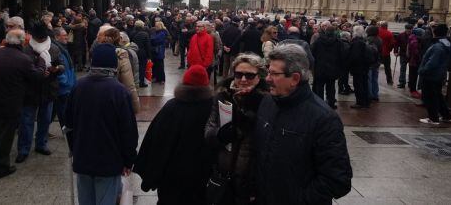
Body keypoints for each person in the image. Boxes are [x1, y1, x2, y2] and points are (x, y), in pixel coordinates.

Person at [255, 44, 352, 204]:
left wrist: (299, 200)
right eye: (268, 72)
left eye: (274, 73)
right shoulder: (267, 102)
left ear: (295, 79)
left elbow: (337, 179)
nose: (267, 78)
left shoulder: (324, 119)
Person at [65, 43, 139, 205]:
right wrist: (128, 160)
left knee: (85, 199)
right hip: (109, 160)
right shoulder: (119, 91)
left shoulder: (78, 87)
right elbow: (128, 131)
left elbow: (68, 124)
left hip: (83, 157)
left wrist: (74, 149)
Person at [0, 29, 46, 178]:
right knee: (5, 136)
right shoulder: (23, 59)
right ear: (23, 41)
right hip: (11, 103)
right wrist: (42, 64)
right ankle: (1, 167)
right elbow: (36, 77)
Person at [135, 65, 214, 205]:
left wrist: (151, 177)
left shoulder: (172, 107)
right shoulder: (213, 107)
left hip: (172, 179)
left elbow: (156, 142)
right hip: (202, 177)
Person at [205, 53, 269, 205]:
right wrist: (220, 135)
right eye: (239, 75)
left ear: (259, 76)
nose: (244, 80)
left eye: (249, 75)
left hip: (253, 177)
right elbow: (208, 131)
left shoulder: (268, 100)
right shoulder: (223, 95)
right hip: (225, 172)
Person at [16, 24, 64, 163]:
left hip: (49, 89)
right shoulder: (26, 49)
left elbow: (62, 65)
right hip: (30, 90)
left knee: (45, 120)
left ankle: (41, 144)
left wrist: (57, 69)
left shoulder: (54, 48)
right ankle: (23, 149)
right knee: (26, 121)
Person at [418, 24, 451, 125]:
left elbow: (432, 63)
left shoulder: (438, 46)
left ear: (435, 32)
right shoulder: (447, 44)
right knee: (438, 95)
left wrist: (422, 70)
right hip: (439, 74)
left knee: (429, 96)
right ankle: (446, 115)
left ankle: (433, 118)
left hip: (431, 75)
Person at [311, 25, 345, 109]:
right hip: (333, 68)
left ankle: (320, 104)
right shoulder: (338, 42)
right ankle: (331, 103)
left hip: (320, 68)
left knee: (320, 87)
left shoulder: (319, 41)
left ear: (326, 31)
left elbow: (312, 52)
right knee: (331, 87)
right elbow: (342, 56)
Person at [52, 27, 76, 128]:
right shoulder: (57, 50)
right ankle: (67, 133)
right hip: (63, 88)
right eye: (64, 35)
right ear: (57, 37)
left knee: (56, 111)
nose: (67, 37)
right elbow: (57, 67)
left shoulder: (62, 48)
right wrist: (65, 82)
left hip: (66, 86)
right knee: (63, 112)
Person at [348, 26, 371, 108]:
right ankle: (366, 101)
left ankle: (360, 102)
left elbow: (355, 57)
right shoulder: (364, 41)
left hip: (358, 68)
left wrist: (350, 64)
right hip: (364, 67)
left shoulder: (356, 42)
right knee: (364, 84)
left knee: (358, 85)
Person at [132, 20, 151, 87]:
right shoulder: (145, 34)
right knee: (142, 68)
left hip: (133, 52)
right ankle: (141, 82)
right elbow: (147, 46)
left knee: (134, 67)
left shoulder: (132, 33)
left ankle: (134, 81)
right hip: (142, 53)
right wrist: (149, 56)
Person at [366, 25, 383, 102]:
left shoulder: (368, 39)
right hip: (377, 61)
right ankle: (375, 94)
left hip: (369, 62)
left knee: (368, 79)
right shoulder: (379, 39)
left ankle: (369, 95)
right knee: (375, 79)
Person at [394, 24, 413, 89]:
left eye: (410, 30)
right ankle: (402, 82)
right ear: (405, 29)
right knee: (402, 69)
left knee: (411, 70)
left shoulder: (413, 36)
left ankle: (410, 83)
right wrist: (396, 51)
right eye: (407, 30)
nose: (408, 31)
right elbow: (396, 44)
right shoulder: (401, 35)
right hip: (403, 54)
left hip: (411, 55)